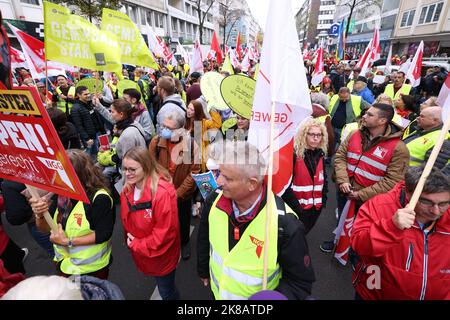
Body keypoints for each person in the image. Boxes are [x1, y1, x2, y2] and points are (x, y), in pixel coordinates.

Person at [197, 141, 315, 300]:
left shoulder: (286, 225)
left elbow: (300, 282)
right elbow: (204, 237)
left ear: (251, 183)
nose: (218, 182)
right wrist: (203, 269)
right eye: (219, 173)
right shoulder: (214, 200)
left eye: (227, 178)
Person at [320, 103, 410, 254]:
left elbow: (393, 181)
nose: (364, 116)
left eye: (370, 115)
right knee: (343, 219)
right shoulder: (354, 134)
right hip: (345, 190)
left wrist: (360, 194)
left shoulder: (398, 148)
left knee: (362, 228)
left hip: (369, 200)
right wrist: (343, 181)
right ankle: (338, 243)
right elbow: (340, 157)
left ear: (382, 121)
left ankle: (355, 253)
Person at [351, 166, 450, 299]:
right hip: (375, 294)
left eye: (443, 204)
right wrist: (391, 227)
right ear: (409, 193)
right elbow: (359, 245)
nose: (436, 211)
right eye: (427, 202)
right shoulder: (379, 206)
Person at [30, 150, 115, 279]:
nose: (56, 179)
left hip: (91, 269)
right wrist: (40, 215)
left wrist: (67, 242)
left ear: (79, 174)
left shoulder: (99, 198)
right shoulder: (62, 196)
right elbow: (45, 229)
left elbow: (103, 234)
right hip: (66, 266)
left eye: (62, 175)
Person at [120, 147, 180, 300]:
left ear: (146, 166)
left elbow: (164, 235)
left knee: (166, 291)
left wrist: (136, 245)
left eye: (132, 169)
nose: (127, 174)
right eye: (125, 168)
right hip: (143, 253)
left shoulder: (162, 194)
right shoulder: (128, 188)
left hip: (160, 257)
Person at [149, 112, 200, 260]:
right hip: (160, 192)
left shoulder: (190, 145)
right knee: (161, 220)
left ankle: (184, 242)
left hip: (181, 194)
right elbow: (150, 166)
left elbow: (194, 172)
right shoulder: (156, 142)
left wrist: (177, 193)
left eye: (169, 128)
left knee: (183, 221)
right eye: (163, 126)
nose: (164, 130)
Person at [283, 119, 328, 234]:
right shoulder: (294, 155)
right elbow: (285, 186)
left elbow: (324, 181)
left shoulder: (320, 155)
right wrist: (298, 209)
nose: (316, 138)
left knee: (303, 235)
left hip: (315, 209)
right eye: (312, 134)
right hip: (297, 209)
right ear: (304, 135)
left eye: (319, 135)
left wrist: (323, 200)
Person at [185, 100, 222, 172]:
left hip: (199, 160)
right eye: (188, 108)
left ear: (197, 111)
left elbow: (217, 124)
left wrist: (211, 108)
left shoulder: (203, 123)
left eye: (192, 110)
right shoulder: (185, 121)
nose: (188, 111)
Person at [70, 86, 106, 158]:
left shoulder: (91, 103)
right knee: (91, 155)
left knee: (101, 152)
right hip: (89, 137)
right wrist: (86, 138)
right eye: (85, 94)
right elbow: (78, 126)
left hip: (98, 132)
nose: (88, 96)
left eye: (88, 93)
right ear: (78, 95)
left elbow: (97, 116)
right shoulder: (75, 108)